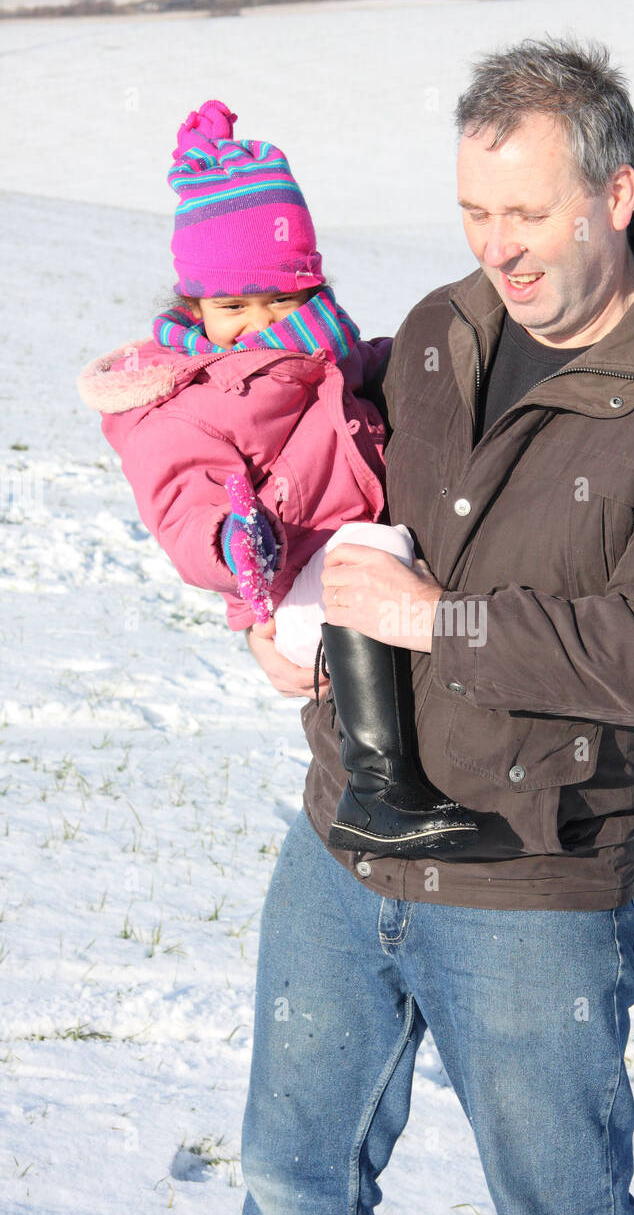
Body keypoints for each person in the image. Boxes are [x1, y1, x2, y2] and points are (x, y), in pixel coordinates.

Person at [241, 35, 634, 1215]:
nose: (497, 245)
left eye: (528, 211)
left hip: (528, 878)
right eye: (474, 212)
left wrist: (436, 620)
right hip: (340, 842)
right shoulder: (440, 330)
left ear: (614, 194)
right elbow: (351, 507)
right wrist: (295, 613)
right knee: (290, 1187)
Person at [77, 98, 483, 858]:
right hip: (290, 586)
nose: (258, 321)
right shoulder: (187, 402)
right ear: (195, 304)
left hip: (345, 579)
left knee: (462, 541)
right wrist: (236, 542)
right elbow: (180, 508)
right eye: (232, 305)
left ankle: (577, 736)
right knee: (371, 553)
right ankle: (380, 787)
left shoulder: (323, 351)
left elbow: (374, 371)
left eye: (280, 299)